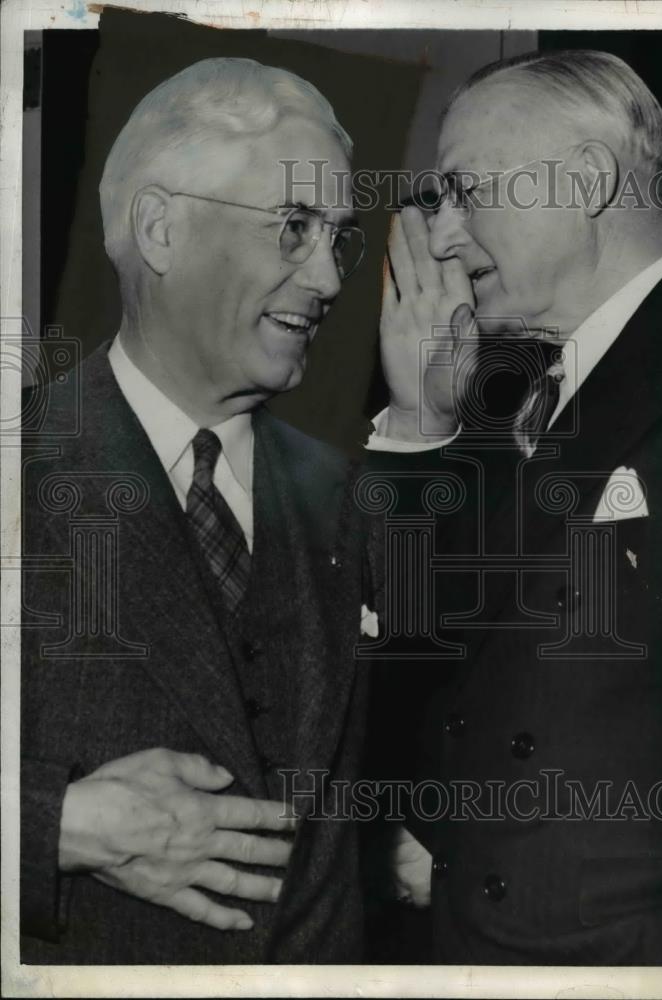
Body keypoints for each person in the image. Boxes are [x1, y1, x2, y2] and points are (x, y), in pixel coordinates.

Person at [370, 49, 662, 965]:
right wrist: (417, 424)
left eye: (464, 191)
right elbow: (418, 652)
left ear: (586, 180)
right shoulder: (502, 398)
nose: (442, 236)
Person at [21, 57, 371, 964]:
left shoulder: (350, 495)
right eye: (293, 228)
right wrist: (56, 826)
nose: (330, 279)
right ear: (161, 228)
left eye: (340, 238)